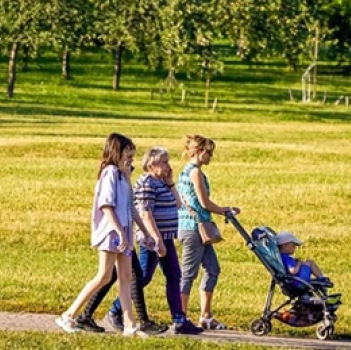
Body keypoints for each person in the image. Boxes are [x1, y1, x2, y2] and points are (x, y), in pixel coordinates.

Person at [56, 133, 154, 338]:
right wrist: (119, 231)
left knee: (126, 277)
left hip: (124, 231)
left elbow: (130, 207)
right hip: (111, 231)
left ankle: (129, 325)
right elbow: (107, 206)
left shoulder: (122, 176)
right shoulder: (109, 173)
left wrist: (144, 231)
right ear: (117, 152)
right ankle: (69, 314)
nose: (131, 160)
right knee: (104, 276)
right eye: (128, 154)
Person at [102, 147, 204, 335]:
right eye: (164, 162)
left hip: (166, 238)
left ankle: (179, 320)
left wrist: (171, 182)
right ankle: (116, 310)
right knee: (143, 277)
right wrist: (156, 240)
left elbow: (179, 204)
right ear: (151, 165)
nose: (168, 166)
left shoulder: (161, 182)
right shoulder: (147, 183)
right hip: (152, 240)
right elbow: (145, 214)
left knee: (174, 276)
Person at [177, 135, 241, 331]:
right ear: (198, 152)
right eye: (208, 152)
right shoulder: (194, 172)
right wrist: (225, 209)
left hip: (201, 228)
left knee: (213, 269)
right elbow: (204, 203)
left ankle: (205, 315)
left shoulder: (189, 172)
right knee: (188, 274)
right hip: (193, 228)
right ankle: (180, 316)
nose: (211, 156)